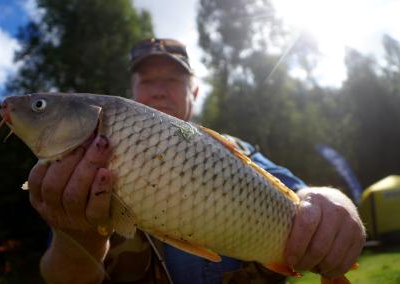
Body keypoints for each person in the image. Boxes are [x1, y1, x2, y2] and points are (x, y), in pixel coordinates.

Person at [29, 38, 366, 284]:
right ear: (133, 93)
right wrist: (78, 238)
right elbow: (61, 276)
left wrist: (333, 204)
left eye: (172, 80)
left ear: (194, 92)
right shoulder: (81, 159)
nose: (159, 91)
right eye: (147, 81)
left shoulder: (238, 150)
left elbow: (303, 195)